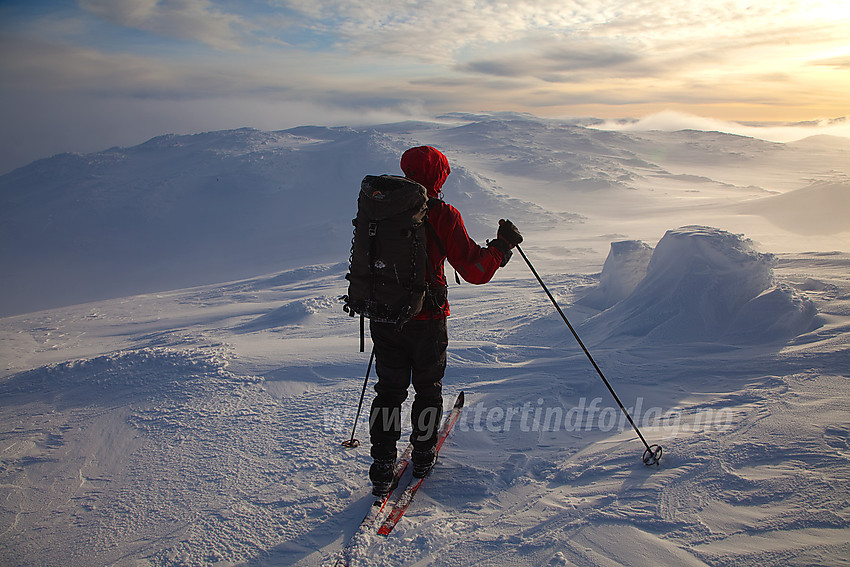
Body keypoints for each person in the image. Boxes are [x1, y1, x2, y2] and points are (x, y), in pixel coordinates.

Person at [368, 145, 523, 496]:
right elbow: (475, 269)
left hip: (385, 316)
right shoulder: (442, 214)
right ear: (439, 175)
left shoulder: (379, 206)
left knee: (389, 391)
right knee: (427, 388)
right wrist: (501, 247)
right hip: (427, 318)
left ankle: (381, 465)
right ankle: (422, 454)